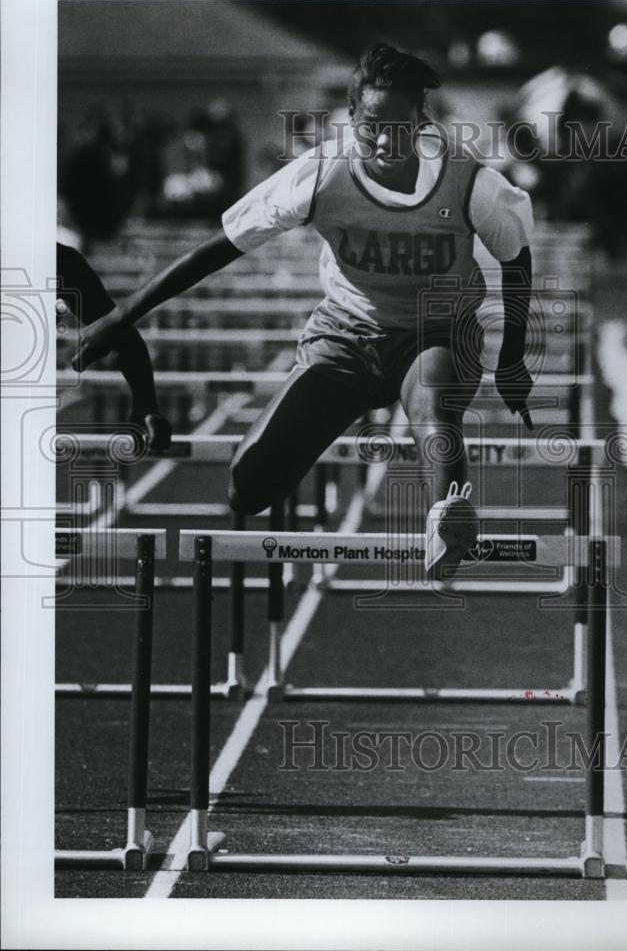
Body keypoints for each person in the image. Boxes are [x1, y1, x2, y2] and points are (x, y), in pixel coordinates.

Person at [72, 44, 534, 580]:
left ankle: (446, 521)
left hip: (437, 333)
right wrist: (121, 316)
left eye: (401, 128)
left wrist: (513, 357)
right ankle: (427, 505)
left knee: (433, 401)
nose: (386, 141)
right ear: (352, 118)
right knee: (247, 489)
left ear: (422, 120)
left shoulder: (470, 180)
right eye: (372, 126)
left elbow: (516, 259)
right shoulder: (320, 173)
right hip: (347, 335)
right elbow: (218, 248)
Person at [57, 242, 172, 451]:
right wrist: (146, 404)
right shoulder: (59, 259)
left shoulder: (59, 261)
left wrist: (145, 404)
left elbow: (121, 335)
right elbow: (124, 338)